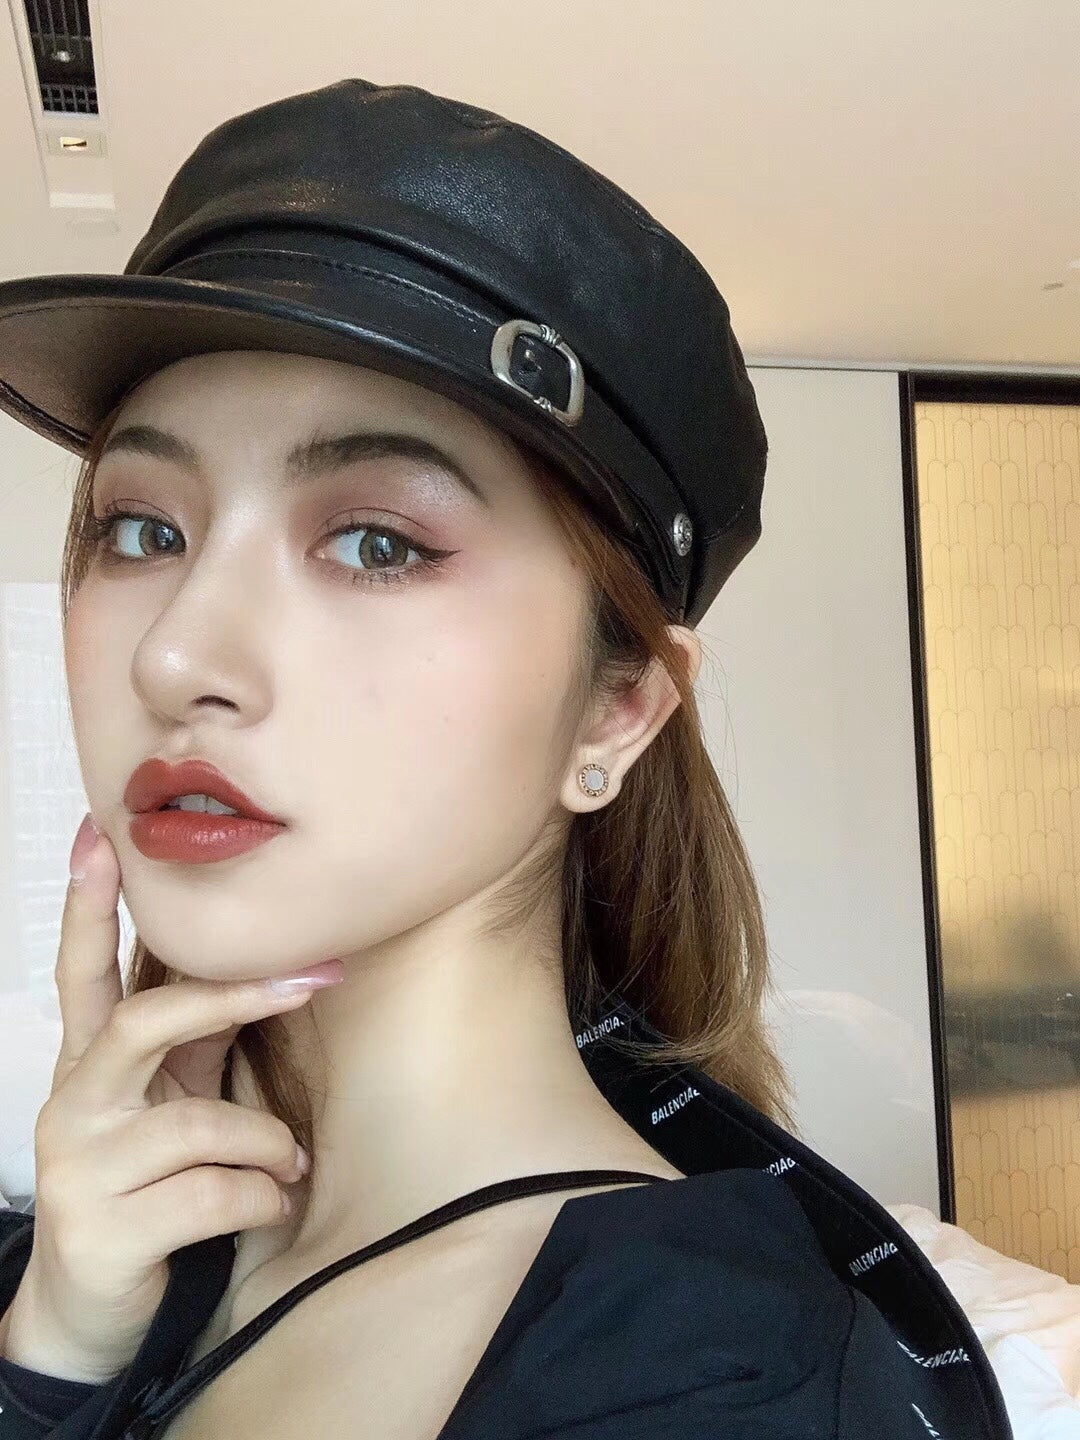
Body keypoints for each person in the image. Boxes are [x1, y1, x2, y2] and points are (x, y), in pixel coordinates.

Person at [0, 78, 1011, 1439]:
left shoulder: (717, 1385)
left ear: (616, 712)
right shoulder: (82, 1263)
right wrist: (50, 1356)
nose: (175, 656)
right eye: (141, 530)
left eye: (376, 543)